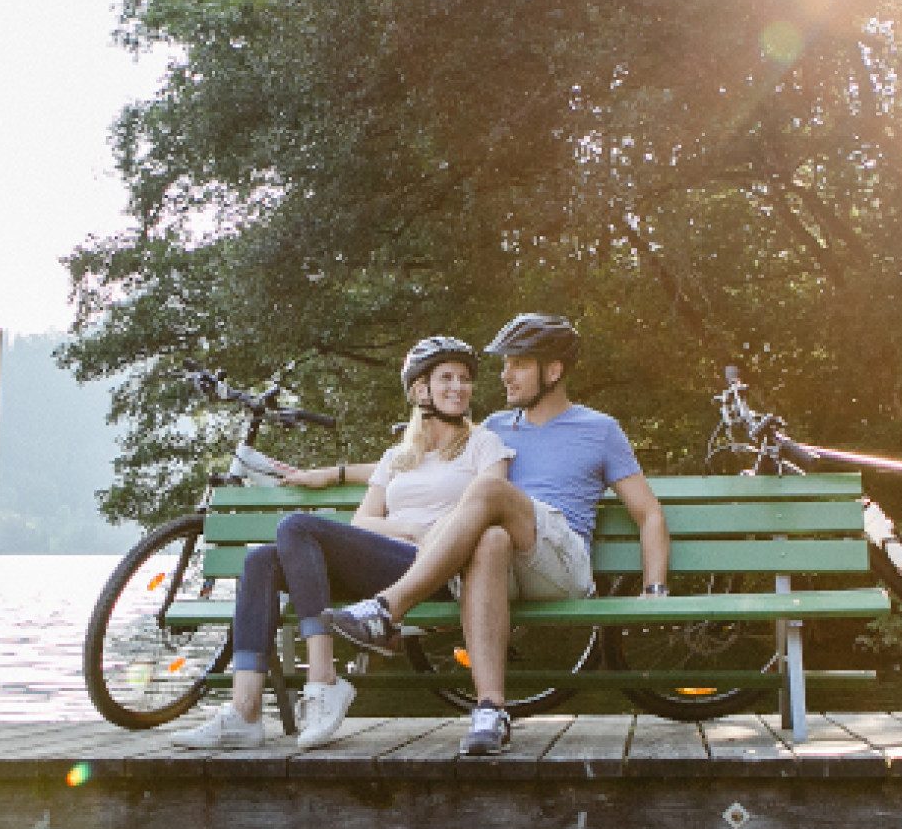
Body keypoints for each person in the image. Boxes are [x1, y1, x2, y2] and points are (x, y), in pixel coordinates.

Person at [321, 313, 669, 756]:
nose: (504, 375)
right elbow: (415, 459)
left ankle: (388, 609)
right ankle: (490, 710)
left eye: (517, 364)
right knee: (490, 539)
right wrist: (333, 473)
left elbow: (648, 513)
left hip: (561, 563)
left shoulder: (598, 429)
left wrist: (654, 588)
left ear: (553, 371)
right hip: (504, 557)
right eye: (504, 365)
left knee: (487, 489)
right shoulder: (494, 429)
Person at [174, 336, 514, 751]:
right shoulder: (398, 457)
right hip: (393, 562)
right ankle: (244, 712)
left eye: (464, 379)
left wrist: (431, 535)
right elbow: (365, 521)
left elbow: (490, 503)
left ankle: (323, 679)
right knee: (261, 560)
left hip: (441, 569)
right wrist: (415, 530)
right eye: (446, 378)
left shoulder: (484, 444)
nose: (458, 387)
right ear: (419, 390)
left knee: (297, 526)